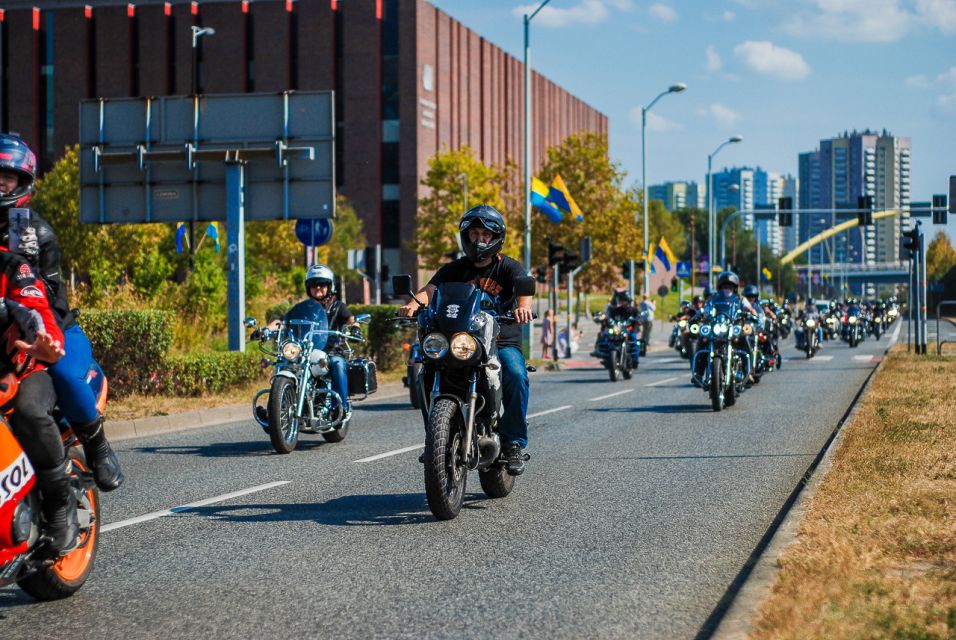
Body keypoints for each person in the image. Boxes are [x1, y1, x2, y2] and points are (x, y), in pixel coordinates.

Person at [0, 134, 123, 493]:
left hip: (51, 327)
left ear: (24, 183)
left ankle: (98, 447)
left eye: (9, 176)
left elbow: (48, 297)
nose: (1, 182)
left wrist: (27, 267)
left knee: (66, 374)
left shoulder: (34, 232)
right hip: (3, 331)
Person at [398, 204, 533, 475]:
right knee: (426, 372)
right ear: (465, 236)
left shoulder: (508, 267)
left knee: (516, 374)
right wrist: (414, 304)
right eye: (474, 234)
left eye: (485, 234)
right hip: (458, 341)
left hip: (500, 342)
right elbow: (429, 290)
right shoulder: (453, 269)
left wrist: (522, 307)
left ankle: (513, 443)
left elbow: (523, 291)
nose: (479, 239)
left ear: (496, 238)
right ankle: (434, 440)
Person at [0, 247, 75, 553]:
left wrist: (48, 342)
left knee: (29, 412)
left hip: (22, 367)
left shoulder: (12, 267)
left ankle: (61, 506)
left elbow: (35, 309)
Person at [284, 264, 360, 421]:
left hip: (332, 351)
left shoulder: (338, 306)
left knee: (339, 365)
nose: (318, 287)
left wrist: (355, 327)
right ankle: (278, 408)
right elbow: (283, 321)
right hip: (306, 352)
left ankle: (339, 408)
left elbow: (351, 319)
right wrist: (266, 329)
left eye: (322, 284)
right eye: (313, 284)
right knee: (284, 364)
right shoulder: (302, 308)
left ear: (329, 286)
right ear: (308, 287)